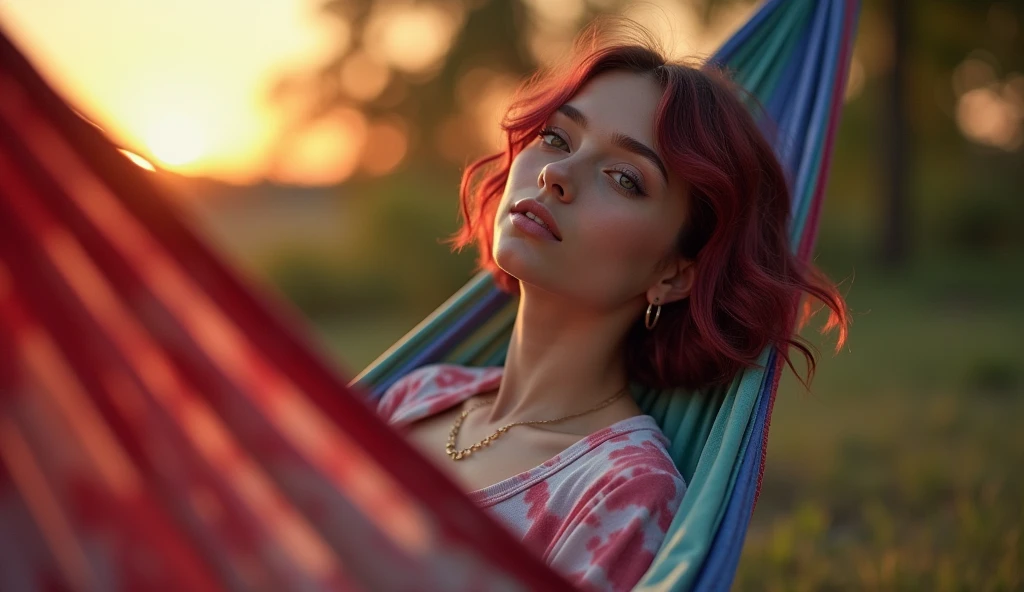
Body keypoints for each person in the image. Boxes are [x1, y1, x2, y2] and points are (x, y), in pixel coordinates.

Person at [375, 18, 849, 592]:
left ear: (674, 274)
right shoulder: (415, 397)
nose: (555, 174)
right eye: (556, 138)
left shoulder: (623, 492)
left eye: (624, 177)